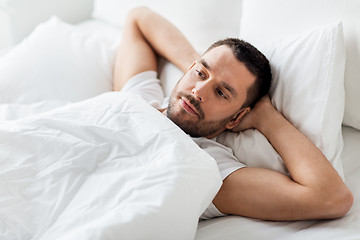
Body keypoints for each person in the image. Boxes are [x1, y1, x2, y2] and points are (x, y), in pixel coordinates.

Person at [113, 7, 353, 221]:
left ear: (236, 118)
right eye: (200, 74)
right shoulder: (140, 97)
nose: (198, 92)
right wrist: (201, 67)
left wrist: (266, 117)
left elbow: (331, 197)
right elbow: (139, 17)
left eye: (221, 92)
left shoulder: (209, 172)